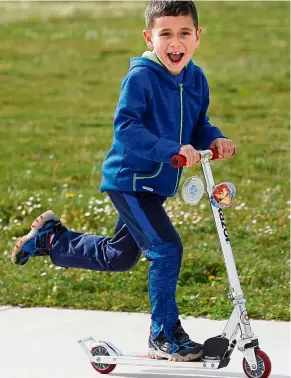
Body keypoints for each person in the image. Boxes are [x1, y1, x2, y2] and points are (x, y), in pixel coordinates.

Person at [11, 0, 234, 362]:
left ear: (197, 37)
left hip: (155, 185)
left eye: (184, 33)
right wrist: (172, 150)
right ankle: (163, 334)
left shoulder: (196, 79)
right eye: (165, 34)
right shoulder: (141, 77)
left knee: (119, 256)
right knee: (166, 248)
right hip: (130, 181)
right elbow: (127, 129)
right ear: (149, 37)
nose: (175, 42)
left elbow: (199, 124)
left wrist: (215, 138)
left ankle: (52, 240)